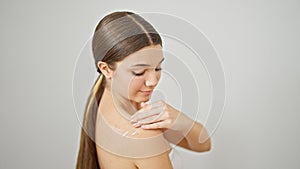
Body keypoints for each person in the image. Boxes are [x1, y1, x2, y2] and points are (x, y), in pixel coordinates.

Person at [75, 11, 211, 169]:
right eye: (139, 72)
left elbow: (204, 144)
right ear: (106, 69)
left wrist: (180, 120)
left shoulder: (103, 103)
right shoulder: (142, 135)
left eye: (158, 67)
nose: (153, 81)